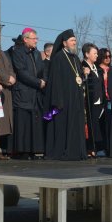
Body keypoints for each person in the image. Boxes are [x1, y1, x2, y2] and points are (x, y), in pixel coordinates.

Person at [44, 29, 86, 161]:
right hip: (63, 100)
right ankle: (63, 152)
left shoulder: (75, 57)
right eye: (72, 41)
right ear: (64, 43)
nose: (75, 43)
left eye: (75, 40)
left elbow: (77, 77)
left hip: (76, 99)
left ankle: (76, 152)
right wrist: (58, 100)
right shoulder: (58, 58)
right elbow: (55, 81)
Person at [11, 28, 46, 159]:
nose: (36, 41)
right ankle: (22, 151)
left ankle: (33, 150)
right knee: (23, 124)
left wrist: (44, 80)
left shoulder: (36, 53)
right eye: (34, 38)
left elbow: (43, 70)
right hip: (23, 93)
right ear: (25, 39)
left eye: (37, 38)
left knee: (34, 123)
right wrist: (38, 82)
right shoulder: (18, 52)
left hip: (36, 94)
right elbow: (21, 72)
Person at [0, 25, 16, 160]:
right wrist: (6, 79)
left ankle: (1, 149)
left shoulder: (1, 52)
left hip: (7, 90)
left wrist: (12, 77)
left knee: (5, 122)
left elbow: (10, 67)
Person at [81, 43, 105, 157]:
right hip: (89, 102)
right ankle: (91, 147)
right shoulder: (82, 66)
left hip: (99, 101)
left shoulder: (97, 68)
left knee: (98, 125)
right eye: (94, 53)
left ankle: (98, 146)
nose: (97, 55)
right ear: (87, 54)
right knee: (91, 125)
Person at [97, 48, 112, 156]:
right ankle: (100, 147)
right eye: (105, 56)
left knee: (110, 124)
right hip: (101, 99)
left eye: (109, 56)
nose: (108, 59)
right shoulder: (98, 69)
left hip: (110, 98)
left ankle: (109, 146)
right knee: (101, 123)